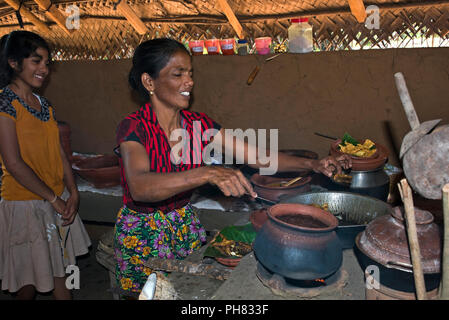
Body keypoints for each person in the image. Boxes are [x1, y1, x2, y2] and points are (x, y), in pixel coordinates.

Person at [113, 38, 351, 296]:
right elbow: (140, 187)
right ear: (149, 82)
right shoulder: (135, 127)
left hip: (183, 225)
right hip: (143, 233)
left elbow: (258, 156)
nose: (189, 82)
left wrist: (312, 164)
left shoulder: (198, 125)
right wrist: (207, 172)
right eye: (178, 74)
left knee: (187, 293)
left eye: (190, 73)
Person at [0, 31, 91, 300]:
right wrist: (53, 199)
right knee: (28, 281)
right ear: (14, 63)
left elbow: (60, 153)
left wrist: (72, 192)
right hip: (25, 204)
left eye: (47, 63)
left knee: (60, 270)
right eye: (36, 61)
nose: (44, 69)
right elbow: (13, 163)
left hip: (55, 198)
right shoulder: (4, 103)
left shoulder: (44, 105)